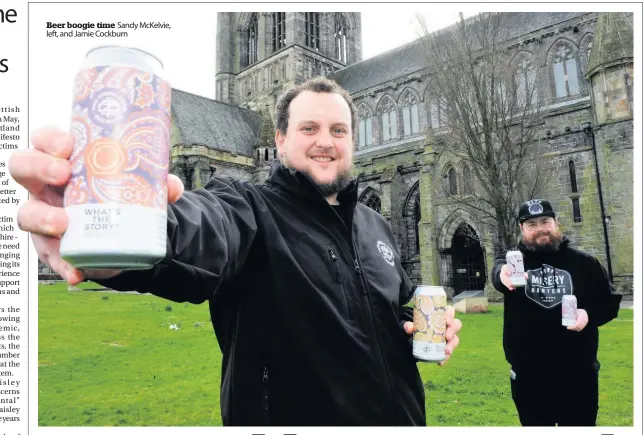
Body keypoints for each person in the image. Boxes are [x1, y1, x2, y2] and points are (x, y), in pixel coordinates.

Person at [10, 77, 462, 426]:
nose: (325, 140)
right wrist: (108, 221)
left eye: (338, 129)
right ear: (280, 141)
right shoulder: (250, 209)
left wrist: (421, 328)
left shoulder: (374, 224)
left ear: (352, 142)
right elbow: (201, 230)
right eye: (309, 128)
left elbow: (394, 307)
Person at [491, 199, 621, 426]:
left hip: (578, 378)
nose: (540, 228)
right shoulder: (514, 264)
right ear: (522, 229)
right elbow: (498, 272)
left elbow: (609, 303)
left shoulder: (584, 263)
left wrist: (588, 315)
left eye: (545, 221)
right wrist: (501, 275)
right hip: (529, 379)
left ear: (556, 222)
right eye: (531, 224)